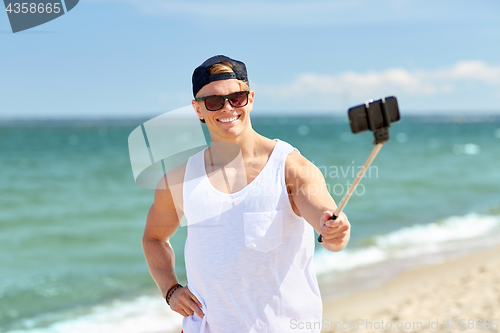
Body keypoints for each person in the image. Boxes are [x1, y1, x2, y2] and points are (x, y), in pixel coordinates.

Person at [142, 55, 350, 333]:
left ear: (250, 98)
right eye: (214, 101)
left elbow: (326, 221)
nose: (227, 107)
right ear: (198, 109)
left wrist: (335, 231)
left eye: (236, 97)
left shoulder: (290, 166)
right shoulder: (179, 179)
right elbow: (153, 237)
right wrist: (170, 289)